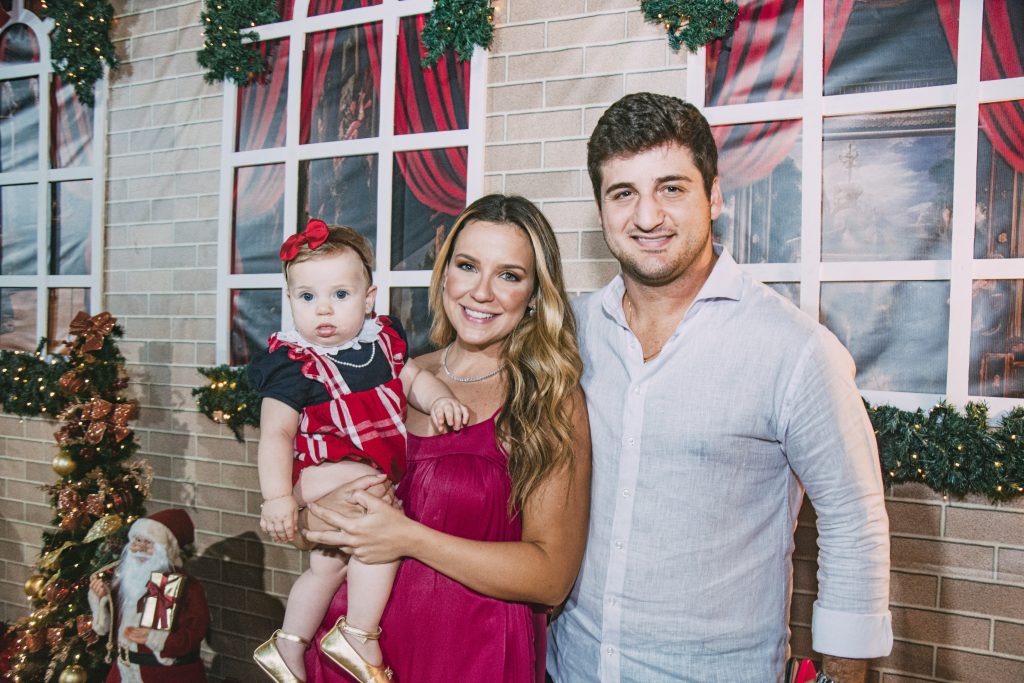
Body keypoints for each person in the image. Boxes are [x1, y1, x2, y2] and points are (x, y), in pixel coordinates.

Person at [546, 92, 893, 683]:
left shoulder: (794, 349)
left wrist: (842, 675)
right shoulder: (570, 333)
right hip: (570, 665)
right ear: (601, 208)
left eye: (671, 188)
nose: (647, 216)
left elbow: (852, 519)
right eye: (623, 193)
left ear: (714, 196)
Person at [299, 194, 592, 683]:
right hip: (353, 657)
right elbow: (313, 508)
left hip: (470, 658)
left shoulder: (548, 399)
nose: (481, 292)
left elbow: (551, 578)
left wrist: (409, 538)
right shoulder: (390, 377)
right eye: (467, 265)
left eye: (509, 275)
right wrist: (318, 511)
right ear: (445, 273)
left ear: (536, 293)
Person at [248, 219, 469, 683]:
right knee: (380, 522)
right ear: (290, 302)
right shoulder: (295, 365)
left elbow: (414, 380)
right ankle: (359, 633)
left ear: (368, 300)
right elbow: (276, 436)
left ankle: (288, 646)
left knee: (326, 566)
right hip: (318, 471)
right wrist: (278, 499)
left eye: (340, 296)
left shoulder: (381, 345)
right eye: (306, 297)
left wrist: (440, 399)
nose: (322, 310)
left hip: (358, 471)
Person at [87, 508, 210, 683]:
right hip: (123, 672)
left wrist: (154, 638)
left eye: (149, 543)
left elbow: (194, 634)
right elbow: (108, 625)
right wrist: (101, 599)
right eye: (137, 541)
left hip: (165, 676)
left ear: (166, 549)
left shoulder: (184, 586)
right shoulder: (125, 580)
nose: (141, 549)